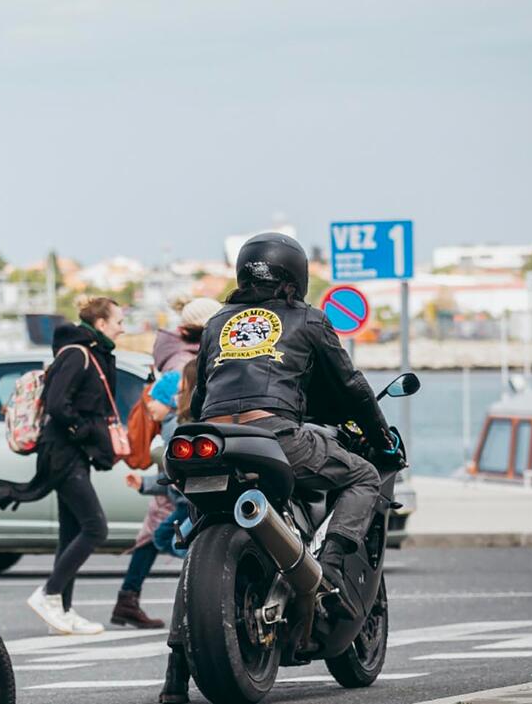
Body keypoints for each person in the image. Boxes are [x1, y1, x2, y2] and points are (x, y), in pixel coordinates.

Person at [157, 232, 394, 704]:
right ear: (295, 274)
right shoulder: (309, 318)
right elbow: (351, 387)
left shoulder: (219, 322)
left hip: (212, 437)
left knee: (202, 536)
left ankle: (175, 679)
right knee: (363, 477)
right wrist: (381, 438)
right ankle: (326, 574)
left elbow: (202, 395)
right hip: (277, 437)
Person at [0, 297, 126, 635]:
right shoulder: (76, 354)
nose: (122, 328)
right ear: (100, 324)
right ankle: (49, 594)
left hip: (73, 452)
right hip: (63, 452)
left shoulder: (92, 353)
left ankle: (61, 613)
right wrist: (83, 430)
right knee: (96, 528)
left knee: (71, 532)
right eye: (118, 321)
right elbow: (57, 403)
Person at [110, 297, 219, 629]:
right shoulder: (187, 365)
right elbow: (180, 413)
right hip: (184, 466)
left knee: (159, 534)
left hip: (175, 468)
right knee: (167, 535)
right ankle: (197, 592)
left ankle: (129, 598)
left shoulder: (175, 354)